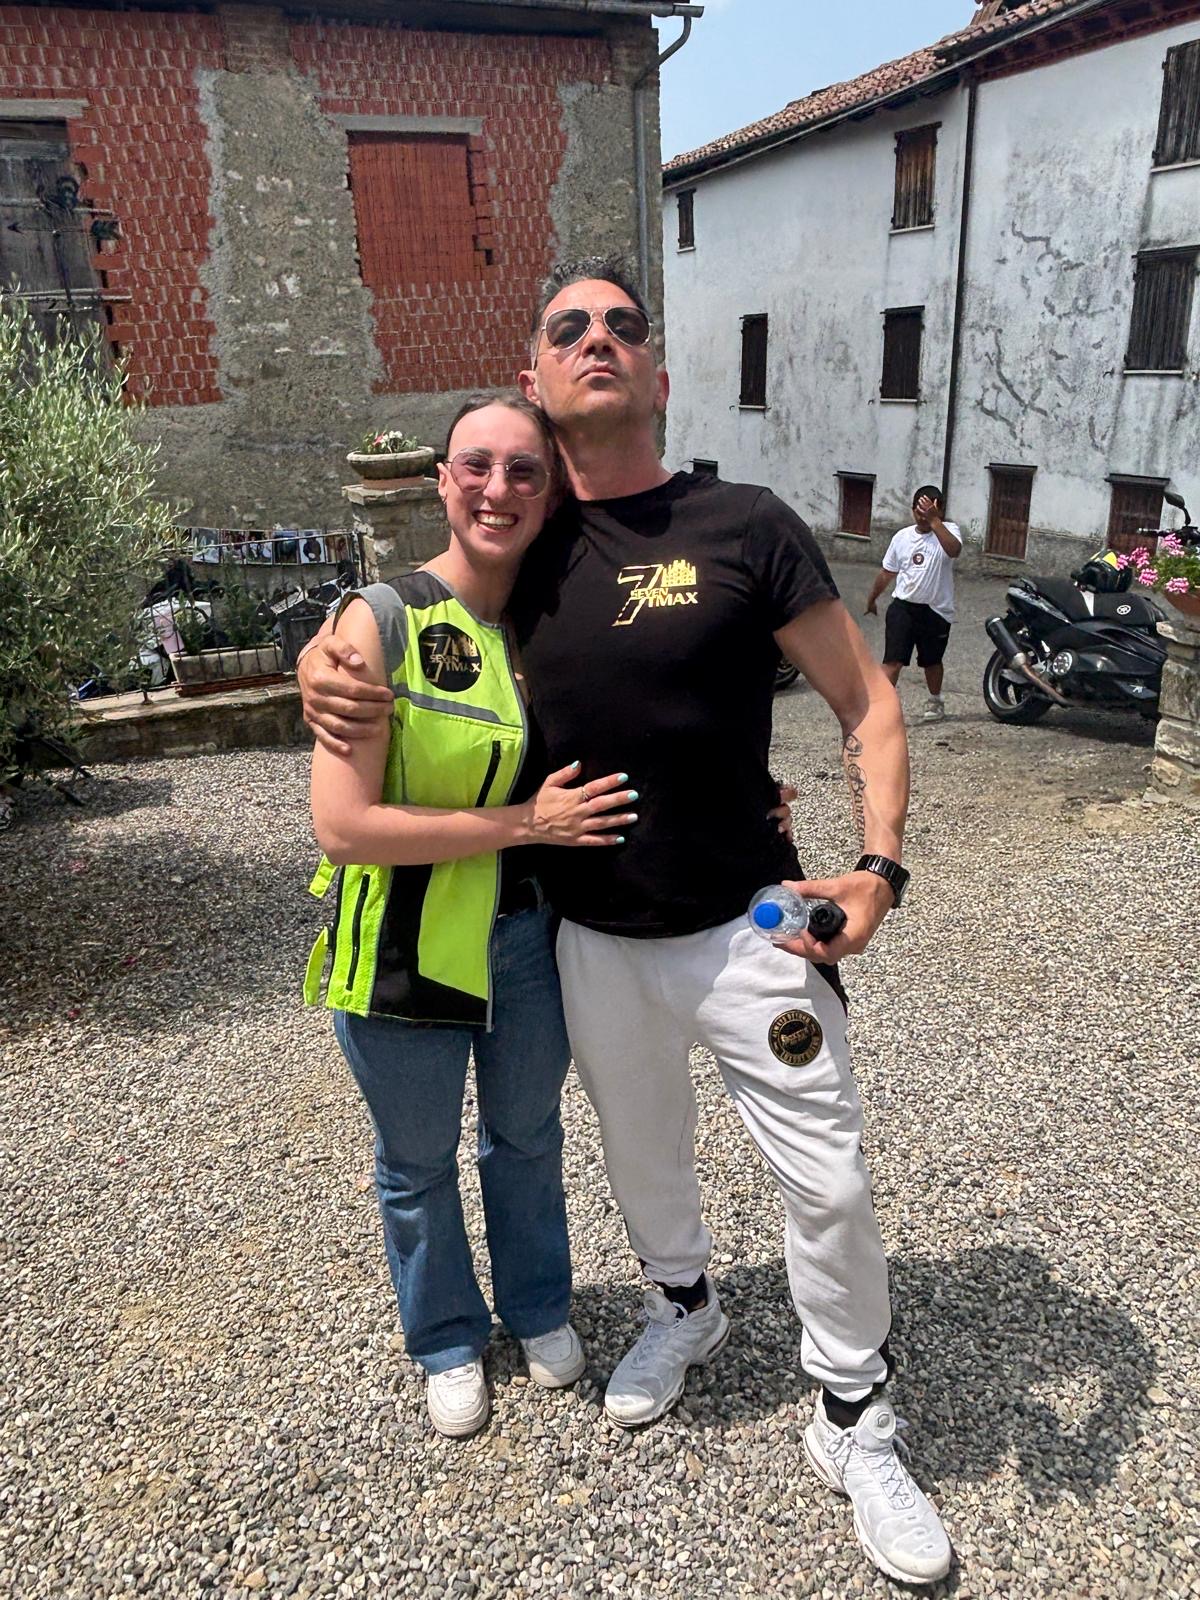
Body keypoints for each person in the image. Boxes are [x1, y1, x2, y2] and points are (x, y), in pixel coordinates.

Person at [300, 258, 952, 1586]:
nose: (597, 339)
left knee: (828, 1176)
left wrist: (877, 868)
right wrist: (327, 649)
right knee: (641, 1158)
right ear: (537, 379)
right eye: (569, 328)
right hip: (589, 935)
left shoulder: (747, 524)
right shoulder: (527, 545)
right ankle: (685, 1306)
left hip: (755, 919)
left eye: (623, 326)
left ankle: (854, 1416)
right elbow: (420, 604)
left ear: (657, 372)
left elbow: (868, 703)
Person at [306, 395, 638, 1439]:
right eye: (477, 466)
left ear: (552, 493)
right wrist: (522, 824)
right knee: (416, 1163)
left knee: (526, 1137)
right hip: (402, 941)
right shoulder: (382, 620)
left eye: (524, 470)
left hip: (530, 936)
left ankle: (537, 1306)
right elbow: (344, 826)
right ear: (443, 481)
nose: (499, 489)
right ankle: (447, 1335)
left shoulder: (559, 620)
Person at [865, 487, 962, 724]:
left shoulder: (949, 531)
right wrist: (872, 598)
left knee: (932, 661)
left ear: (939, 511)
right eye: (919, 511)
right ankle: (881, 708)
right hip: (904, 607)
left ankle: (935, 700)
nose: (922, 517)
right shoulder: (902, 537)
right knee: (893, 660)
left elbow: (954, 550)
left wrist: (935, 521)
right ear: (912, 510)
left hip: (936, 610)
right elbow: (887, 572)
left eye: (927, 511)